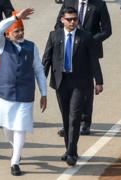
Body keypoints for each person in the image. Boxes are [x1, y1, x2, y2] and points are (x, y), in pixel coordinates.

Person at [0, 8, 47, 176]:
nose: (20, 33)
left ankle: (15, 161)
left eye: (22, 30)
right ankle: (16, 149)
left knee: (20, 127)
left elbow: (39, 70)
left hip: (25, 94)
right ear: (8, 34)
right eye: (16, 31)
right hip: (4, 93)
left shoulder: (31, 47)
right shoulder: (2, 45)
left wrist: (44, 93)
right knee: (8, 127)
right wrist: (15, 17)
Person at [42, 7, 103, 166]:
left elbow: (93, 60)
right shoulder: (54, 36)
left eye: (75, 19)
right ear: (62, 20)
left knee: (75, 117)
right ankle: (68, 149)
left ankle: (72, 152)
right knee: (66, 118)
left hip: (79, 83)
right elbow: (46, 59)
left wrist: (99, 81)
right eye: (69, 19)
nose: (72, 22)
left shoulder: (86, 37)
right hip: (61, 82)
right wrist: (41, 81)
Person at [55, 0, 112, 135]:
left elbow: (107, 30)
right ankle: (68, 123)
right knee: (68, 87)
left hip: (89, 51)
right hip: (69, 50)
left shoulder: (99, 4)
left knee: (85, 89)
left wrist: (89, 40)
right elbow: (58, 24)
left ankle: (85, 122)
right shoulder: (69, 2)